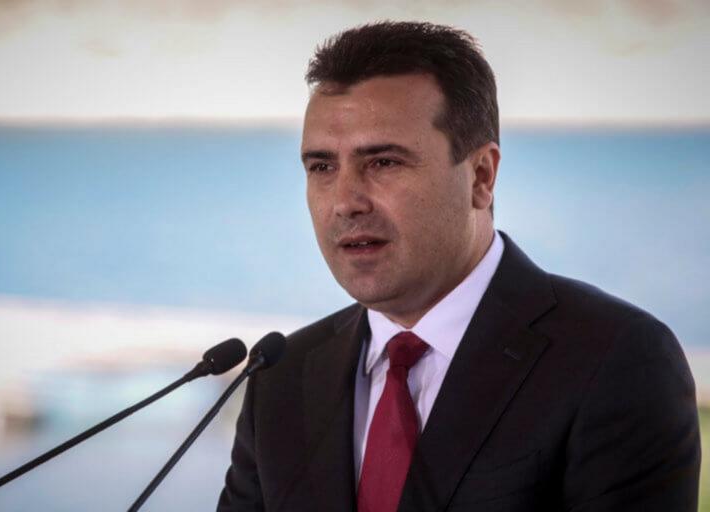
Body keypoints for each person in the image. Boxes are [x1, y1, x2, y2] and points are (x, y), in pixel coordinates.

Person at [217, 21, 700, 512]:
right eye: (322, 167)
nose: (345, 202)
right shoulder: (281, 376)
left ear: (481, 177)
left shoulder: (615, 360)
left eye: (383, 162)